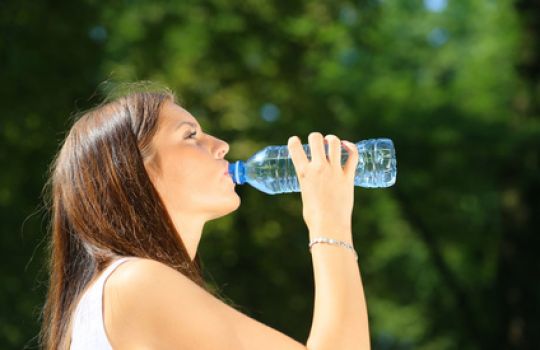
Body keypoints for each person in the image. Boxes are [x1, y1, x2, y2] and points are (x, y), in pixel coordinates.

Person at [39, 82, 370, 349]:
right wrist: (329, 219)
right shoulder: (134, 283)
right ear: (136, 170)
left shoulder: (124, 292)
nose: (221, 145)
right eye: (190, 135)